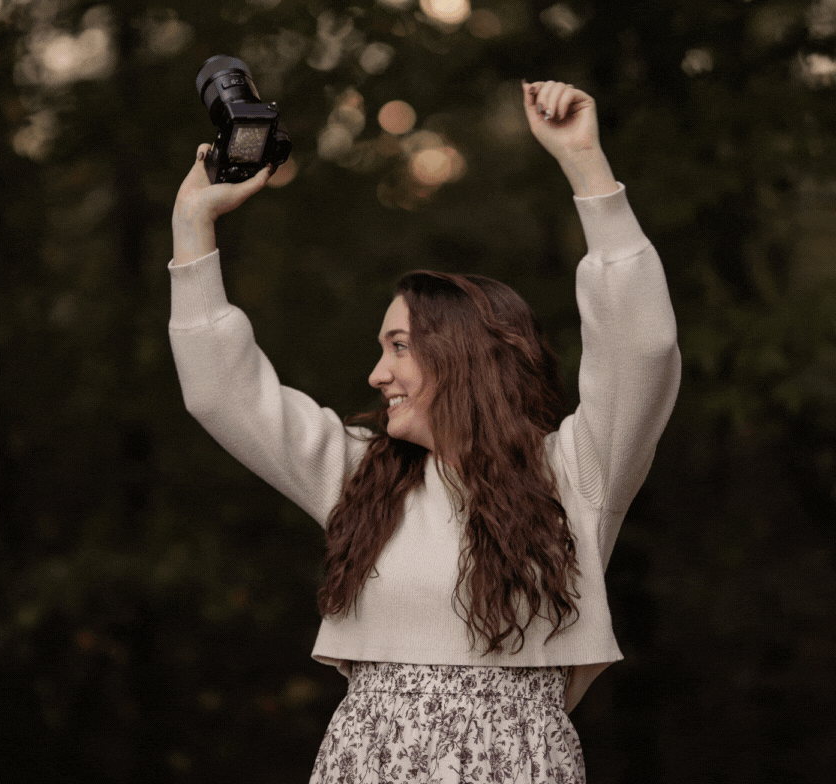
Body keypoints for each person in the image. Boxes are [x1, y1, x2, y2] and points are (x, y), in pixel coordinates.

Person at [168, 81, 681, 782]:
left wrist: (587, 166)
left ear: (466, 357)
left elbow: (641, 348)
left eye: (399, 346)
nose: (377, 375)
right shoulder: (358, 475)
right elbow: (221, 393)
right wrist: (192, 227)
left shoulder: (578, 472)